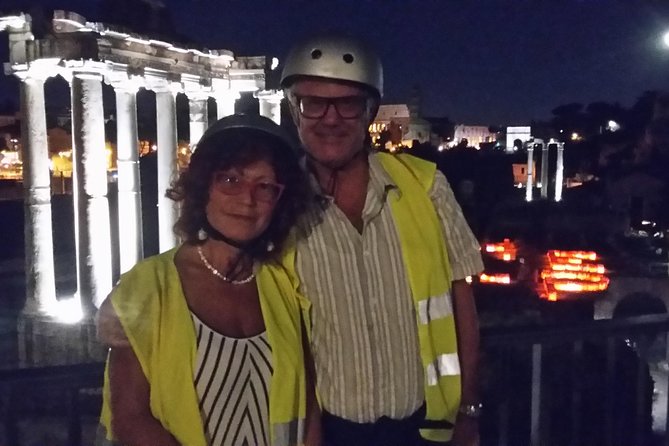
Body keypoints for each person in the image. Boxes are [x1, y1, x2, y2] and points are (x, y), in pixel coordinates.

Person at [280, 34, 484, 446]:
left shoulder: (425, 187)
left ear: (369, 110)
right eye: (313, 103)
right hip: (325, 430)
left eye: (348, 103)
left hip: (424, 426)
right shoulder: (279, 202)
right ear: (294, 110)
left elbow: (462, 304)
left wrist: (468, 410)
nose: (331, 118)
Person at [95, 114, 321, 446]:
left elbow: (308, 407)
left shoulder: (285, 282)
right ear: (203, 189)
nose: (247, 199)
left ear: (279, 201)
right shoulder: (148, 286)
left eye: (265, 186)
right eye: (231, 180)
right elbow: (129, 418)